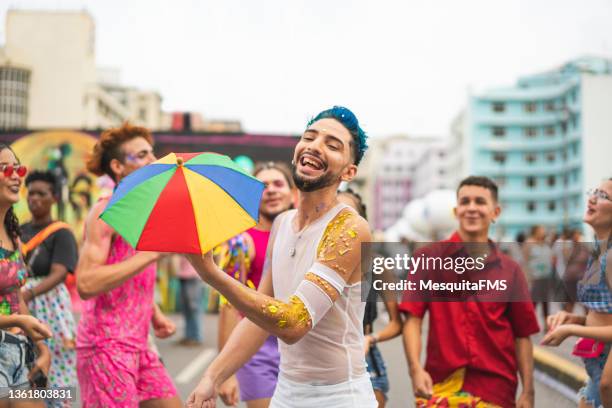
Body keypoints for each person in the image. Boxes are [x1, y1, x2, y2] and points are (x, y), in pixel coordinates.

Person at [185, 106, 377, 408]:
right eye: (310, 137)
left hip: (340, 397)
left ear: (348, 172)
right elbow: (257, 320)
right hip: (286, 394)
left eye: (332, 144)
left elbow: (293, 323)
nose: (315, 145)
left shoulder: (350, 228)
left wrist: (212, 274)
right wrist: (214, 376)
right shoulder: (282, 223)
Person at [400, 176, 539, 408]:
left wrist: (529, 391)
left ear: (495, 212)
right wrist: (415, 369)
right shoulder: (427, 259)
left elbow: (522, 334)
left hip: (496, 390)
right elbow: (412, 319)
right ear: (456, 211)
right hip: (441, 385)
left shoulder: (511, 270)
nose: (472, 208)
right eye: (465, 202)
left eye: (480, 202)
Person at [75, 123, 180, 408]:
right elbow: (86, 284)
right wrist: (150, 255)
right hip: (105, 346)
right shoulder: (107, 211)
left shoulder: (146, 211)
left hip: (140, 343)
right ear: (118, 166)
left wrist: (153, 312)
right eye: (142, 155)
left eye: (152, 153)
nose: (153, 161)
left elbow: (126, 270)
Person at [216, 161, 295, 408]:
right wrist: (226, 374)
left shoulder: (305, 236)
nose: (270, 190)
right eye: (263, 186)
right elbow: (228, 306)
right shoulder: (240, 243)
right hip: (256, 353)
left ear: (293, 194)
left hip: (301, 349)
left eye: (278, 184)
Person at [544, 179, 612, 408]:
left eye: (603, 196)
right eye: (594, 192)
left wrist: (571, 329)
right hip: (597, 371)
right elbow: (605, 315)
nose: (592, 198)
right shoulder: (599, 251)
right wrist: (574, 319)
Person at [338, 188, 402, 407]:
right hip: (322, 357)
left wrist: (370, 339)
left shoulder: (377, 265)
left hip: (364, 355)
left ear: (361, 221)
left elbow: (397, 324)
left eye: (347, 213)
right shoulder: (314, 262)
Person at [20, 170, 79, 407]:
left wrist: (29, 293)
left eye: (41, 194)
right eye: (31, 193)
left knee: (54, 367)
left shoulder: (61, 232)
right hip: (22, 305)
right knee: (25, 370)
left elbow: (60, 273)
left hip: (49, 306)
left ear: (54, 198)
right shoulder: (19, 230)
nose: (34, 198)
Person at [0, 143, 52, 406]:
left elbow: (16, 296)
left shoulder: (13, 235)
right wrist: (17, 320)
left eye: (18, 168)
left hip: (20, 351)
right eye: (4, 168)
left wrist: (43, 351)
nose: (15, 175)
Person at [524, 225, 553, 327]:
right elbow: (525, 261)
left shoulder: (545, 243)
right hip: (534, 277)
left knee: (546, 301)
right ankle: (528, 323)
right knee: (533, 302)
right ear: (535, 231)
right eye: (541, 230)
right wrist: (527, 278)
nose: (543, 232)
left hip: (546, 276)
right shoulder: (529, 243)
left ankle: (546, 324)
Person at [174, 255, 204, 346]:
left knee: (193, 307)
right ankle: (188, 336)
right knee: (186, 309)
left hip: (193, 276)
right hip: (183, 276)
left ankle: (195, 336)